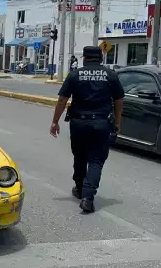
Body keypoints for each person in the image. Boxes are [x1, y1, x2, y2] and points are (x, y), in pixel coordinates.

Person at [49, 46, 124, 213]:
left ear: (85, 58)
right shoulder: (110, 75)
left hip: (79, 123)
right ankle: (88, 198)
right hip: (102, 123)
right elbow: (119, 100)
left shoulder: (75, 74)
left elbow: (62, 100)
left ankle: (80, 187)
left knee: (80, 157)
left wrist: (55, 121)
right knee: (96, 161)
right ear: (100, 58)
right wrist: (117, 122)